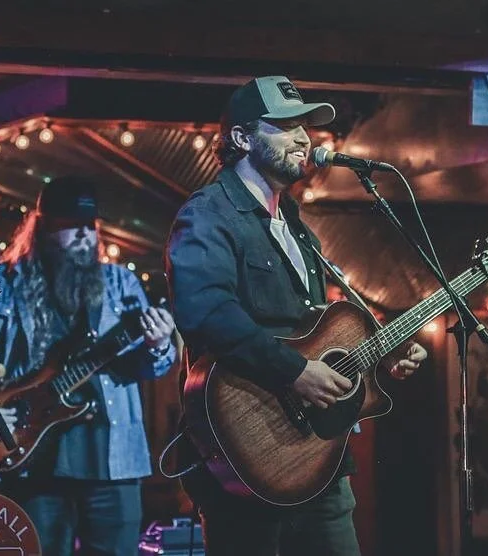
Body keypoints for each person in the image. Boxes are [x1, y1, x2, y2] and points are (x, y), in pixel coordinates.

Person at [166, 75, 428, 556]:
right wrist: (296, 373)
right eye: (286, 126)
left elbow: (310, 334)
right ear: (243, 138)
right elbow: (205, 312)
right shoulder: (208, 214)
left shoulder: (298, 227)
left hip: (320, 455)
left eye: (306, 125)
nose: (305, 137)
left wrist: (378, 357)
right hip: (247, 455)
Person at [0, 176, 176, 555]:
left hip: (113, 464)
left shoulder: (121, 285)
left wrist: (159, 345)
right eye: (72, 226)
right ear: (43, 228)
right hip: (32, 462)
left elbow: (150, 367)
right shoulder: (0, 286)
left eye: (90, 226)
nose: (85, 236)